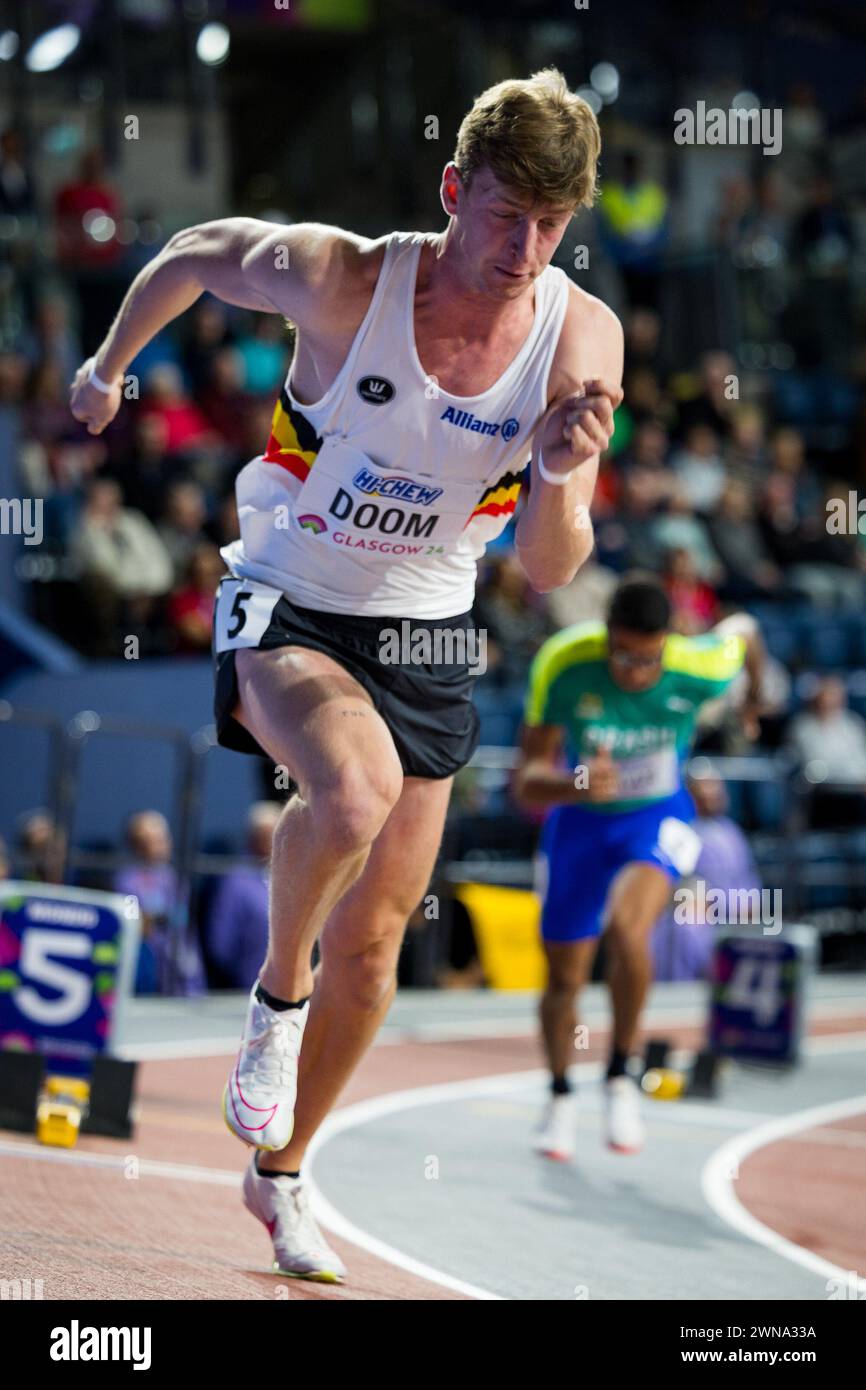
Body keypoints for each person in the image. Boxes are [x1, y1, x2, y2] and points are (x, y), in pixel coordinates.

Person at [69, 68, 623, 1284]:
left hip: (427, 627)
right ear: (451, 191)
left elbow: (546, 564)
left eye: (549, 226)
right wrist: (109, 365)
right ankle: (275, 1003)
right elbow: (192, 252)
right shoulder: (343, 278)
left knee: (372, 948)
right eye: (504, 217)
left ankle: (280, 1173)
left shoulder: (581, 339)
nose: (523, 251)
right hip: (289, 595)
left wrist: (554, 474)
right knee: (352, 792)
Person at [512, 574, 764, 1160]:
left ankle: (620, 1076)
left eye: (649, 659)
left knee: (630, 930)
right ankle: (559, 1095)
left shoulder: (700, 663)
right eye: (623, 657)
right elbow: (526, 780)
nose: (635, 672)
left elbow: (747, 629)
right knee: (565, 977)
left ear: (668, 643)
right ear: (606, 637)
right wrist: (577, 782)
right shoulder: (563, 663)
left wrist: (753, 698)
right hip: (579, 823)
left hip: (657, 816)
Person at [205, 802, 280, 989]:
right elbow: (220, 944)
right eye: (270, 835)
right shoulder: (235, 881)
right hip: (244, 988)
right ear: (254, 838)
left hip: (282, 988)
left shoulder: (287, 876)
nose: (277, 842)